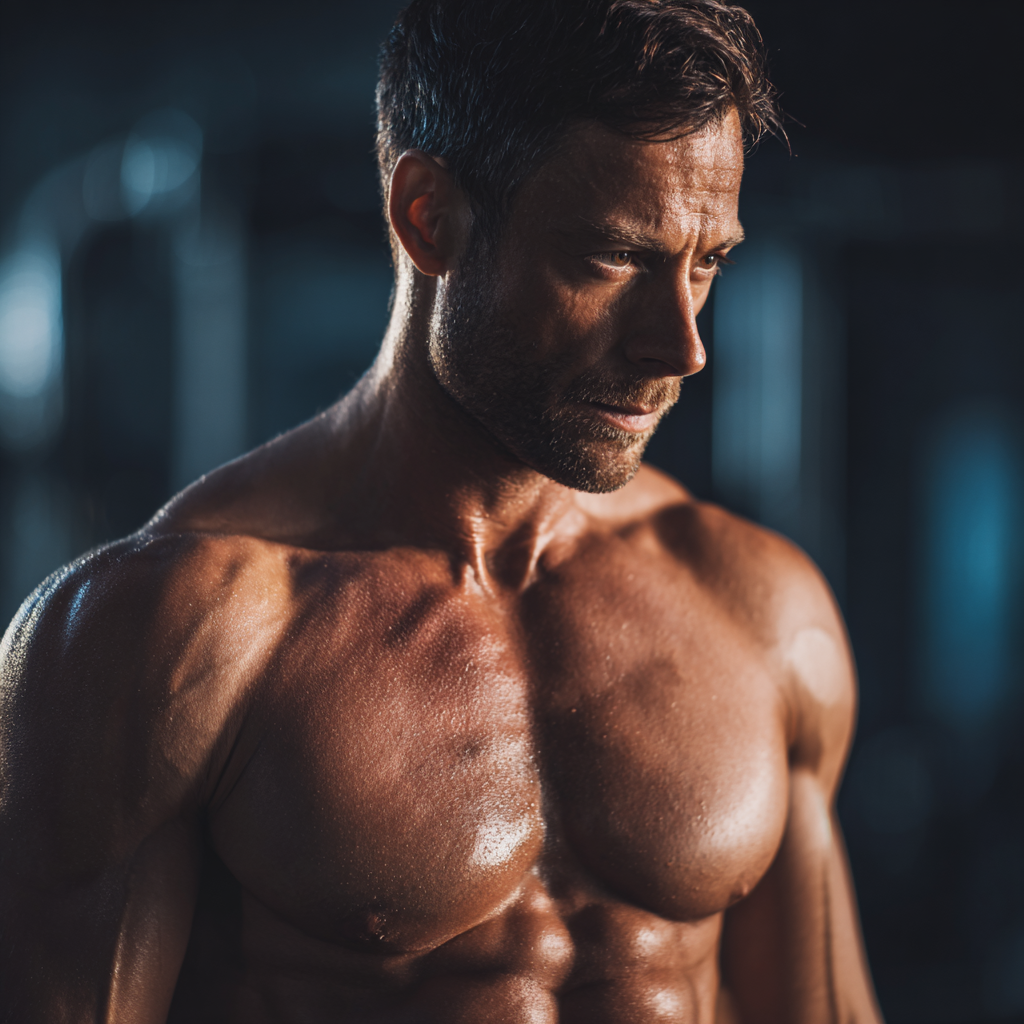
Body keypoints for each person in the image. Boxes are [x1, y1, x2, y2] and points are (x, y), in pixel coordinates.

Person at [0, 1, 883, 1021]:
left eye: (707, 262)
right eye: (611, 257)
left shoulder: (762, 607)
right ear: (429, 217)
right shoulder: (164, 638)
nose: (680, 346)